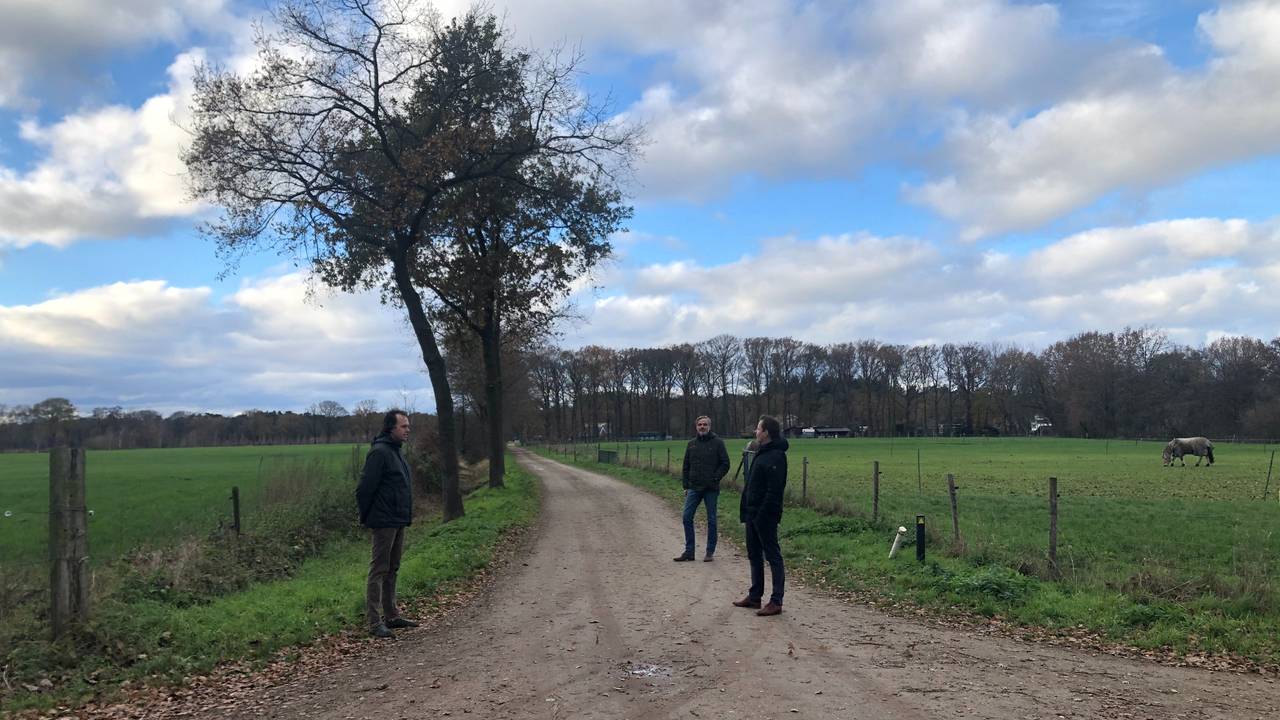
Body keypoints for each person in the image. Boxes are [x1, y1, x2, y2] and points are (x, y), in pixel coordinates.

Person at [356, 409, 419, 638]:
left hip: (398, 518)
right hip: (384, 520)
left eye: (408, 426)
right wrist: (367, 517)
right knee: (379, 569)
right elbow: (364, 489)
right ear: (390, 428)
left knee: (393, 568)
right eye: (403, 426)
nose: (407, 430)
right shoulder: (379, 453)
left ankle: (391, 615)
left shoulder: (396, 452)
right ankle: (374, 622)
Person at [733, 414, 788, 616]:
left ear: (766, 432)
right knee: (754, 555)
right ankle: (755, 596)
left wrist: (762, 515)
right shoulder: (761, 452)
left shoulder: (776, 456)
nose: (755, 432)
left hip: (765, 516)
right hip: (752, 513)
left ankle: (776, 601)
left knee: (773, 556)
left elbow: (774, 491)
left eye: (758, 428)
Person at [674, 415, 730, 562]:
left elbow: (725, 463)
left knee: (711, 520)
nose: (702, 427)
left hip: (711, 488)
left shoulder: (718, 443)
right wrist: (686, 485)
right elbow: (686, 466)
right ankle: (689, 551)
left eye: (705, 424)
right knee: (687, 517)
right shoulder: (691, 444)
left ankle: (709, 552)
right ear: (696, 427)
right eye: (700, 425)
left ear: (709, 426)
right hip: (694, 487)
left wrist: (715, 478)